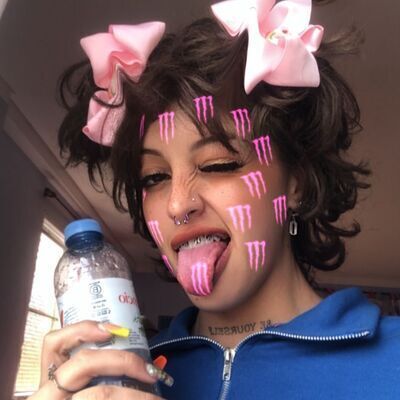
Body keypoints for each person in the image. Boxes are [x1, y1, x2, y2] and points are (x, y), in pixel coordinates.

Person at [29, 0, 400, 399]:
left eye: (217, 165)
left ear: (298, 183)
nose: (177, 205)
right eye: (154, 177)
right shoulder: (127, 377)